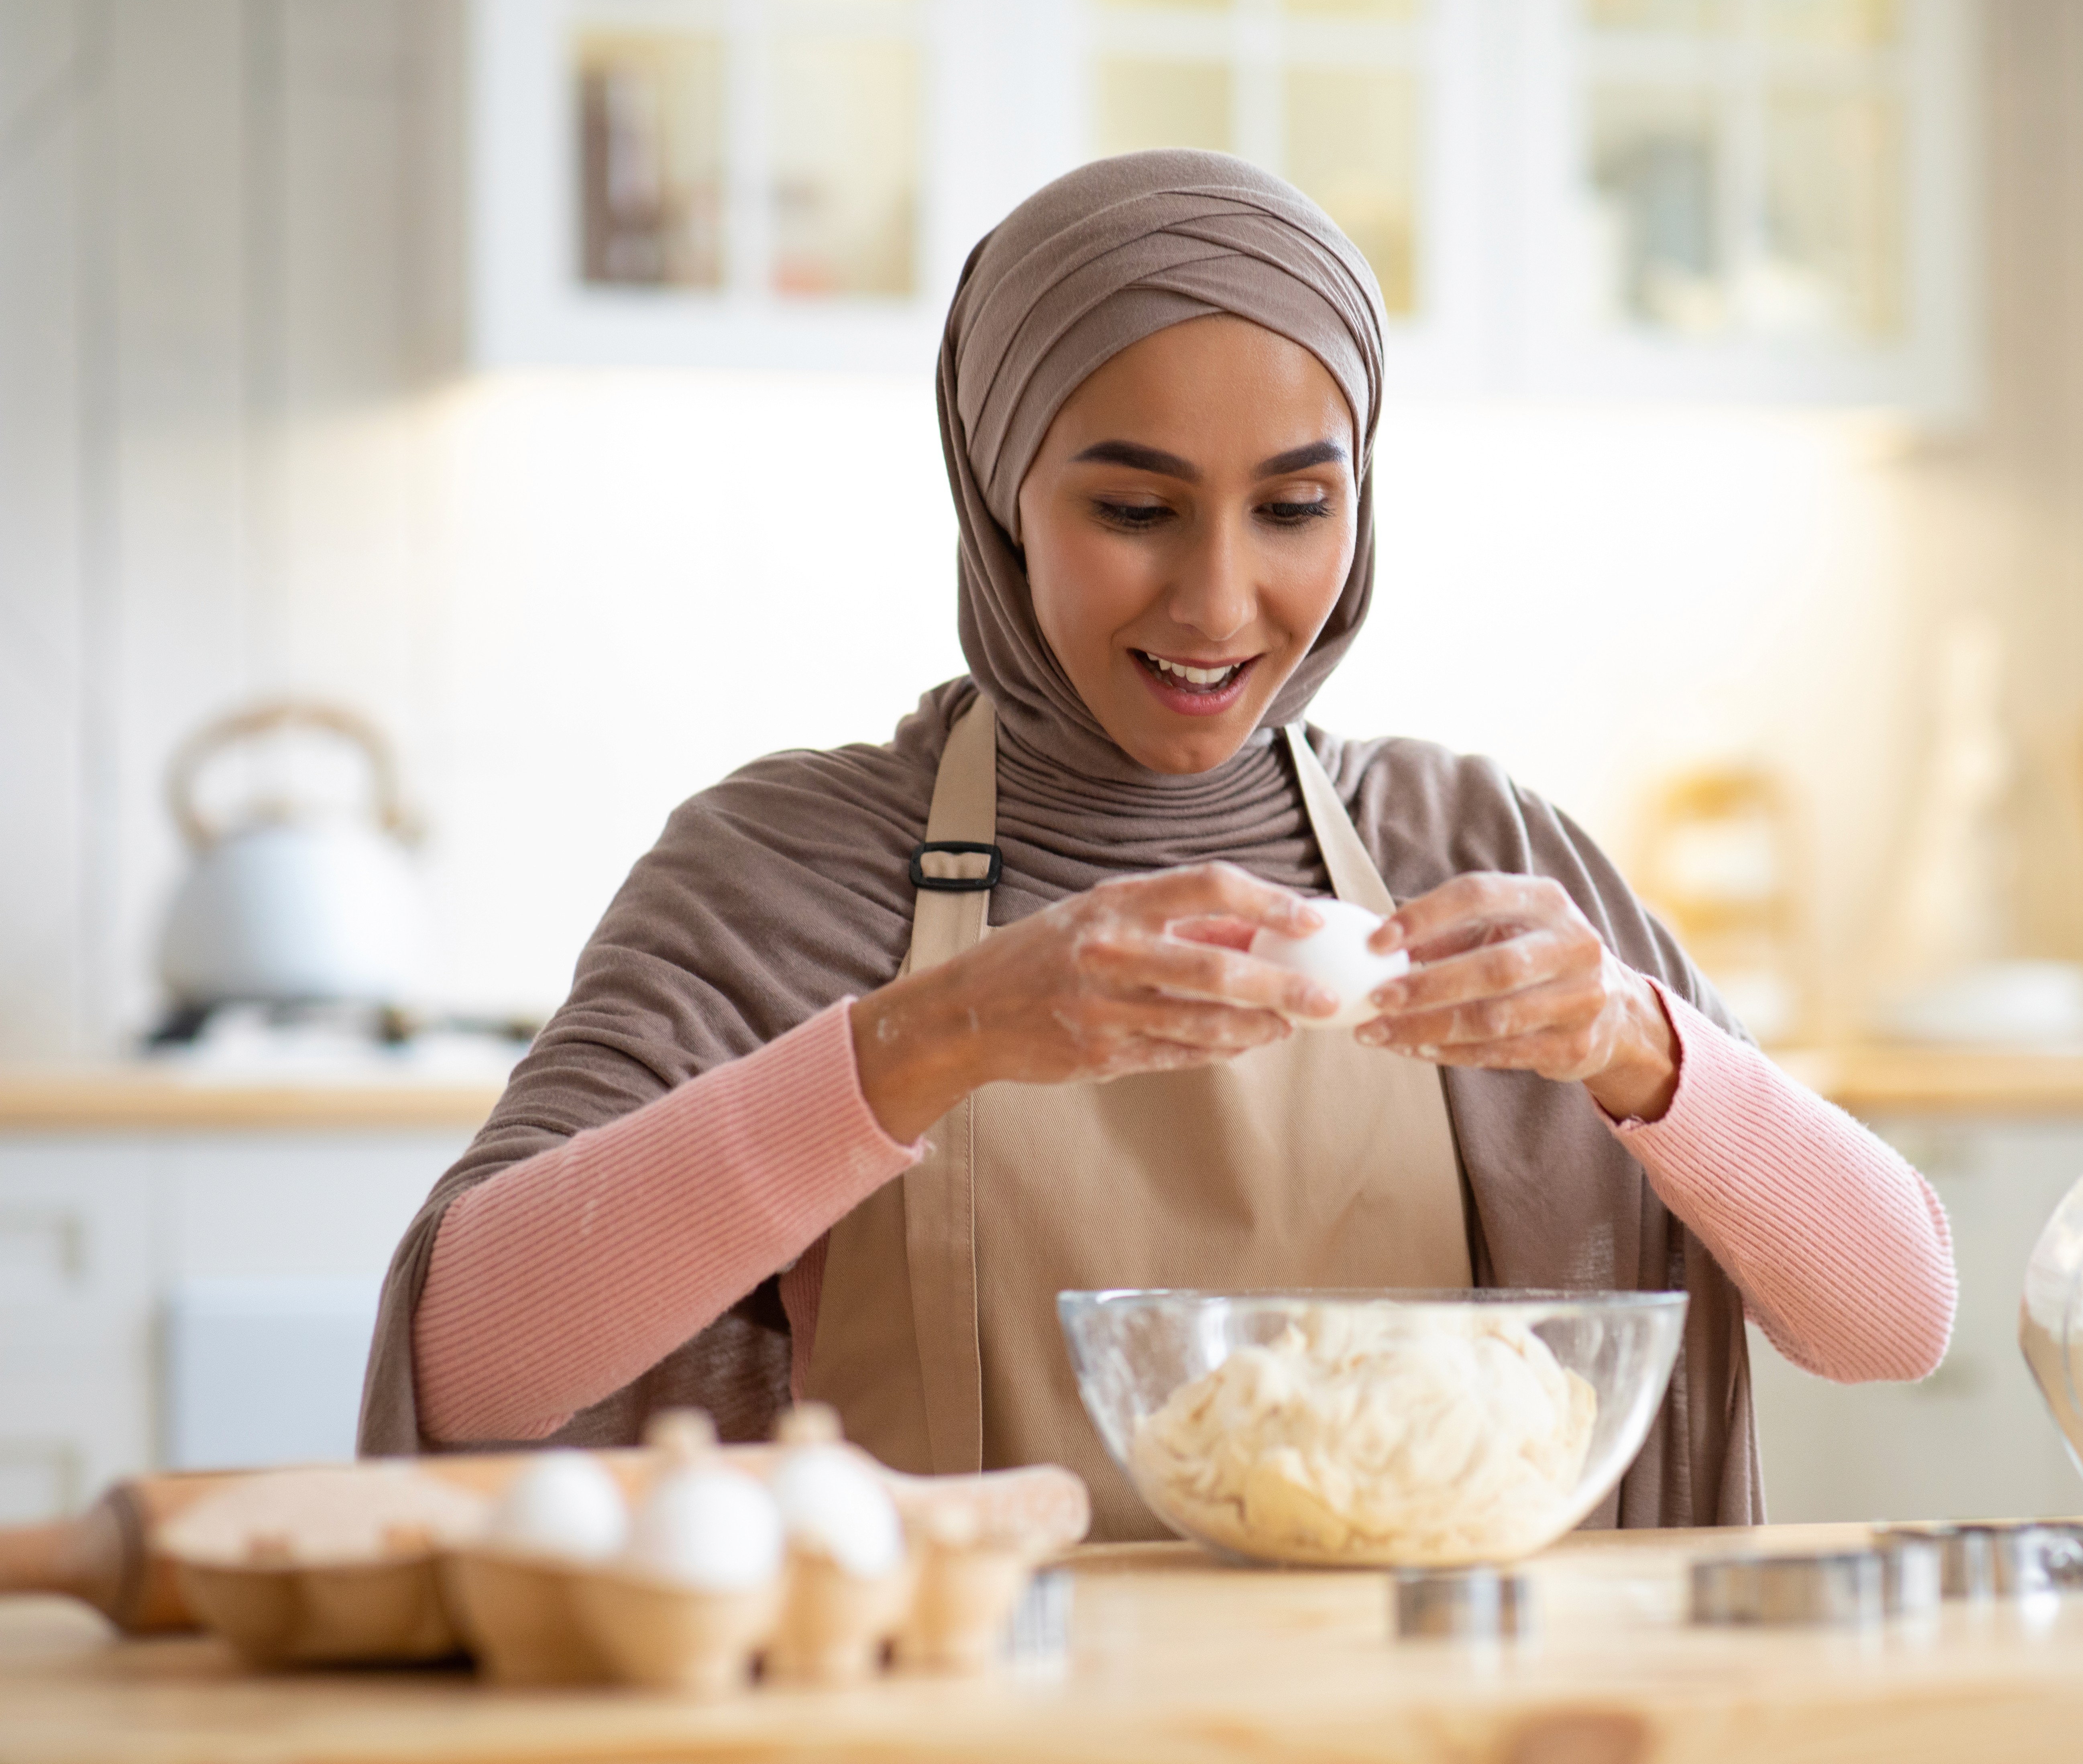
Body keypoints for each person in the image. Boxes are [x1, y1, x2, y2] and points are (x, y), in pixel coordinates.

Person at [361, 150, 1955, 1538]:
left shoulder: (1465, 845)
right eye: (1134, 509)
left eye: (1291, 508)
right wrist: (938, 1036)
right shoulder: (789, 867)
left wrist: (1639, 1043)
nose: (1215, 602)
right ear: (1002, 495)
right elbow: (471, 1356)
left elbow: (1895, 1316)